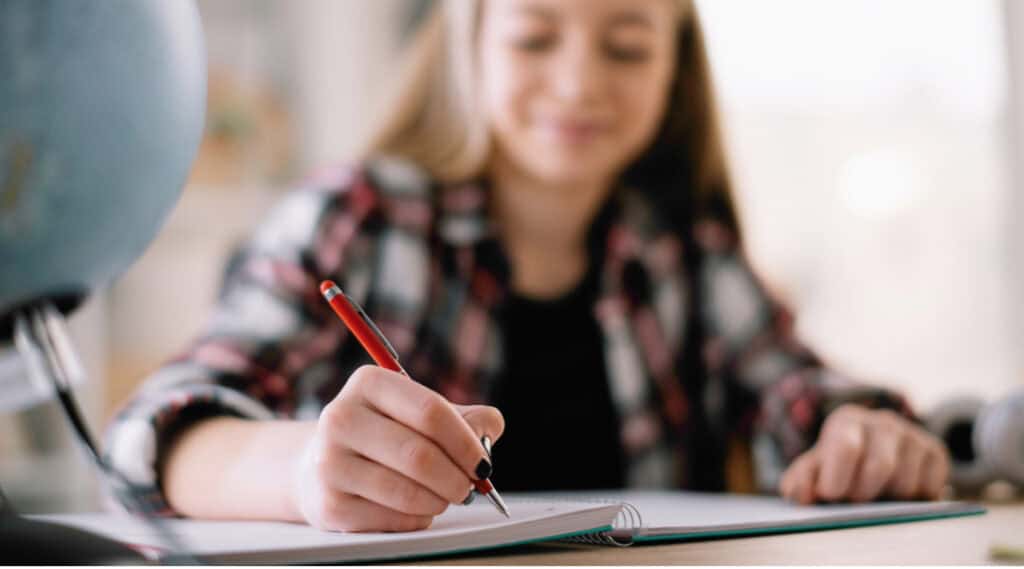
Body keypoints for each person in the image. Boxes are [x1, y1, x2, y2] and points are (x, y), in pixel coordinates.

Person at [104, 0, 951, 532]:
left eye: (625, 47)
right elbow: (150, 439)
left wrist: (855, 433)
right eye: (537, 35)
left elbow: (798, 393)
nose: (579, 82)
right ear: (470, 46)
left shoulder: (685, 251)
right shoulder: (357, 220)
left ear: (673, 69)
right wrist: (299, 472)